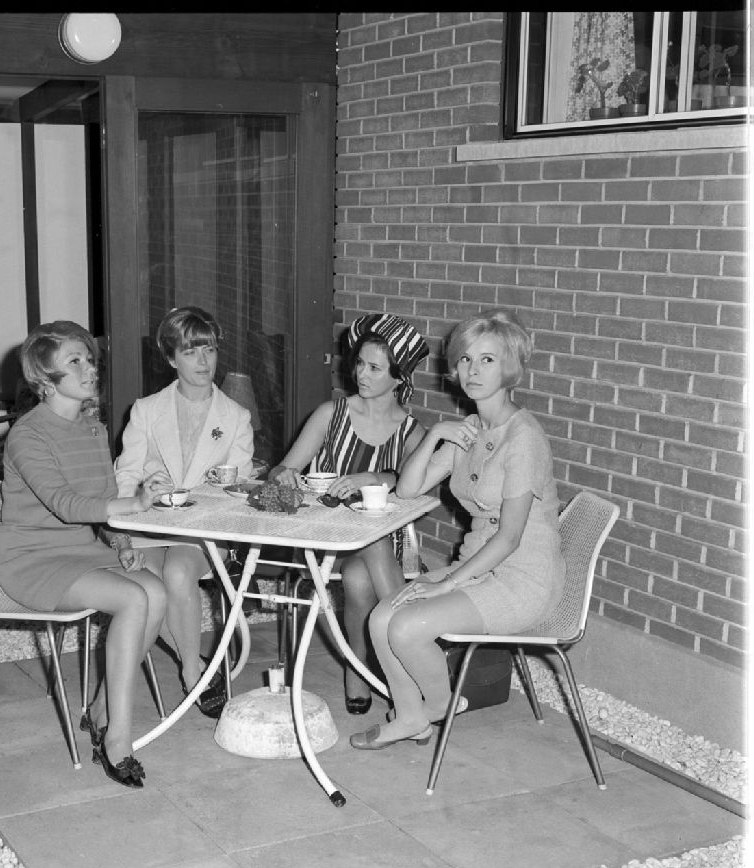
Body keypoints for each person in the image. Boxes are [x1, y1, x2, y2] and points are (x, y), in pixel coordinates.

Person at [354, 307, 565, 750]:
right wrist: (435, 436)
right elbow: (408, 490)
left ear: (510, 368)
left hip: (521, 578)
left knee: (406, 628)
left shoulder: (523, 438)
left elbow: (510, 537)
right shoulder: (470, 428)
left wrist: (445, 584)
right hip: (478, 565)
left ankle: (440, 704)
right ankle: (411, 716)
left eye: (487, 360)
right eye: (466, 359)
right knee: (382, 617)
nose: (472, 370)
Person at [0, 321, 171, 788]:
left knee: (155, 590)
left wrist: (122, 542)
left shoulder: (93, 429)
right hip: (32, 558)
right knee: (132, 598)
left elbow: (102, 500)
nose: (90, 368)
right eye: (75, 361)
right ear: (44, 378)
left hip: (82, 550)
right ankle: (117, 739)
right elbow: (66, 505)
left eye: (89, 359)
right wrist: (136, 504)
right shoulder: (28, 435)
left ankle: (100, 709)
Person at [268, 313, 428, 714]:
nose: (361, 374)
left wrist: (372, 478)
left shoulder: (412, 432)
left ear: (399, 378)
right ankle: (414, 648)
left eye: (375, 368)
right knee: (366, 555)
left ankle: (357, 668)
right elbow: (281, 470)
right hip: (324, 536)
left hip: (382, 543)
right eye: (360, 363)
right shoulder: (331, 414)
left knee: (359, 577)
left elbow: (414, 486)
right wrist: (285, 476)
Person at [113, 306, 254, 716]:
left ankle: (192, 673)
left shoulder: (236, 417)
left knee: (177, 573)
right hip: (149, 525)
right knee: (149, 587)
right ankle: (195, 663)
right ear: (172, 359)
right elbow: (126, 475)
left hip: (203, 530)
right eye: (190, 352)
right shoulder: (146, 409)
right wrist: (136, 503)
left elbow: (239, 490)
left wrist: (205, 494)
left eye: (209, 349)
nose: (203, 361)